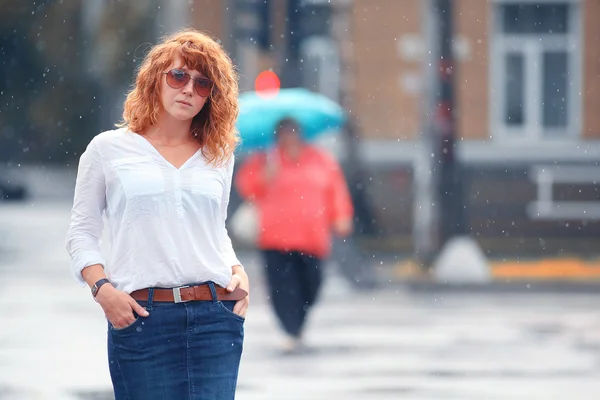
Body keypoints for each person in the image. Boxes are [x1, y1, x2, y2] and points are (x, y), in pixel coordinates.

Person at [65, 29, 249, 400]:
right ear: (156, 79)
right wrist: (103, 290)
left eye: (202, 84)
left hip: (215, 317)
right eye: (179, 76)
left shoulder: (219, 156)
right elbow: (81, 232)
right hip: (141, 319)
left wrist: (237, 269)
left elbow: (214, 231)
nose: (188, 90)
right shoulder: (108, 150)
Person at [235, 117, 353, 353]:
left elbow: (336, 190)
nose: (289, 137)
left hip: (312, 238)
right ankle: (291, 328)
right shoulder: (265, 160)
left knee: (312, 285)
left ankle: (298, 321)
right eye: (284, 133)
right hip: (276, 238)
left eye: (293, 132)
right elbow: (247, 188)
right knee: (282, 288)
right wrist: (265, 175)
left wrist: (341, 216)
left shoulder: (320, 159)